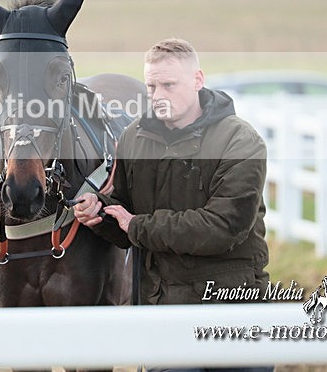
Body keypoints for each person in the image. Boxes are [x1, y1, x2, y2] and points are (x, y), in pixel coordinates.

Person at [73, 38, 272, 372]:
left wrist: (135, 225)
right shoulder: (135, 138)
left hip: (233, 309)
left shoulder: (240, 140)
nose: (158, 95)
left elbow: (224, 227)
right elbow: (125, 207)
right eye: (151, 86)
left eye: (169, 85)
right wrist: (101, 213)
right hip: (162, 311)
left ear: (197, 80)